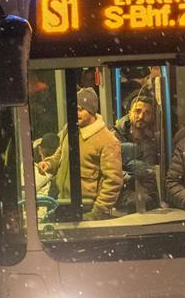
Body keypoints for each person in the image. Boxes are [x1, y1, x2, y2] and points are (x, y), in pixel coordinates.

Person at [36, 87, 123, 220]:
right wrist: (49, 164)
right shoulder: (69, 129)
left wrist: (96, 213)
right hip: (63, 202)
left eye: (80, 109)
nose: (76, 113)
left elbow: (113, 181)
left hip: (88, 208)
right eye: (74, 109)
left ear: (92, 111)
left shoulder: (108, 141)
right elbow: (60, 154)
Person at [113, 93, 162, 211]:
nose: (141, 116)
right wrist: (129, 176)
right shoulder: (114, 137)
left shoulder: (154, 142)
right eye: (137, 111)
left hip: (145, 194)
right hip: (120, 192)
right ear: (129, 114)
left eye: (147, 113)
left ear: (152, 117)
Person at [33, 132, 60, 196]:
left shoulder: (57, 158)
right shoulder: (30, 158)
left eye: (51, 155)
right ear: (39, 149)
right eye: (47, 154)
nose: (48, 158)